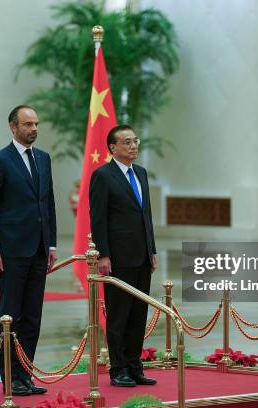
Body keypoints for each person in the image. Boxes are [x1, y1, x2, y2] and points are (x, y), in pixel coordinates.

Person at [0, 105, 57, 396]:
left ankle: (25, 375)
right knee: (10, 315)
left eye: (36, 123)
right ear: (13, 127)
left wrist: (50, 243)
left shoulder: (44, 159)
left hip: (38, 249)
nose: (33, 129)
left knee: (33, 317)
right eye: (27, 124)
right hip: (11, 251)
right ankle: (10, 379)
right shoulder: (0, 160)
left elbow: (47, 204)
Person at [89, 124, 157, 387]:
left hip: (141, 256)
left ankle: (134, 365)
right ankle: (118, 369)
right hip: (117, 257)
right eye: (126, 142)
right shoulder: (103, 176)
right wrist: (103, 255)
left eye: (135, 141)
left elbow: (146, 216)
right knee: (119, 315)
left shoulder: (140, 173)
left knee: (139, 314)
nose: (133, 146)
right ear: (112, 148)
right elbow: (98, 218)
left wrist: (151, 249)